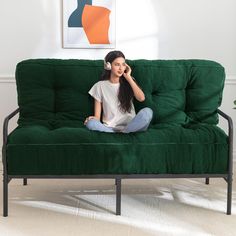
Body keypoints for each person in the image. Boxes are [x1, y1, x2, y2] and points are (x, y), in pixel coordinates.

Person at [84, 50, 153, 133]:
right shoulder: (99, 86)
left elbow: (141, 98)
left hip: (131, 126)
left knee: (148, 112)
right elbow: (97, 117)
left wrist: (128, 77)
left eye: (123, 64)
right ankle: (122, 135)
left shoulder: (129, 82)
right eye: (117, 64)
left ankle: (122, 133)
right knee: (91, 123)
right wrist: (92, 120)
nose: (121, 68)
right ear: (108, 66)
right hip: (109, 128)